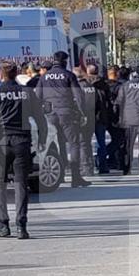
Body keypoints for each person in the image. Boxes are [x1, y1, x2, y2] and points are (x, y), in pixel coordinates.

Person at [0, 61, 47, 240]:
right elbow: (40, 118)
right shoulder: (27, 92)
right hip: (22, 143)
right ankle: (21, 226)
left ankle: (3, 224)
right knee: (21, 184)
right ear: (16, 74)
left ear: (1, 75)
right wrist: (42, 140)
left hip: (1, 144)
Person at [36, 51, 89, 188]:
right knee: (73, 144)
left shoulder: (44, 77)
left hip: (50, 115)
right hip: (67, 113)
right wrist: (83, 113)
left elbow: (38, 97)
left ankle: (60, 177)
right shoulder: (69, 75)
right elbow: (79, 96)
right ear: (64, 61)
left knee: (59, 144)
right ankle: (76, 177)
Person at [86, 64, 110, 174]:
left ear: (88, 71)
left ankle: (88, 167)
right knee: (101, 142)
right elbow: (109, 100)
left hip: (88, 117)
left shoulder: (84, 84)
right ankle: (103, 167)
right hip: (101, 116)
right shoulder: (104, 84)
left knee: (86, 143)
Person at [77, 65, 100, 175]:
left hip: (82, 118)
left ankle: (86, 168)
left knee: (83, 143)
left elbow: (78, 103)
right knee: (87, 143)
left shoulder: (79, 87)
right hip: (92, 117)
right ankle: (89, 166)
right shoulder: (91, 87)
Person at [105, 65, 126, 172]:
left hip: (105, 117)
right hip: (117, 117)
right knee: (119, 140)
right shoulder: (120, 86)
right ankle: (104, 154)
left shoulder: (103, 85)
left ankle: (111, 161)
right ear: (116, 74)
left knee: (116, 139)